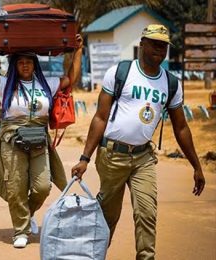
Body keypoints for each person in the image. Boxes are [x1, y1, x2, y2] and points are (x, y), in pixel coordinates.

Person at [71, 24, 206, 259]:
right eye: (154, 44)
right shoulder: (120, 72)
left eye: (163, 46)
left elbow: (181, 127)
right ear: (142, 44)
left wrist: (196, 165)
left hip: (143, 157)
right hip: (113, 155)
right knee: (108, 216)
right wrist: (85, 158)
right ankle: (94, 255)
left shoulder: (171, 83)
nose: (159, 50)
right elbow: (100, 117)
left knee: (146, 213)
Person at [0, 26, 83, 248]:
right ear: (15, 65)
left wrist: (79, 50)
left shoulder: (47, 84)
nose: (25, 65)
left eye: (29, 62)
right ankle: (20, 230)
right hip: (12, 142)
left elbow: (71, 77)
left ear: (34, 65)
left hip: (39, 141)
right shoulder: (4, 85)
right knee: (16, 187)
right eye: (20, 62)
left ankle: (27, 213)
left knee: (43, 186)